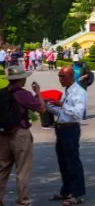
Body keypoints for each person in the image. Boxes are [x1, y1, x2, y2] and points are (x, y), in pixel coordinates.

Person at [0, 65, 45, 206]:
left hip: (2, 134)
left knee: (2, 169)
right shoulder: (22, 94)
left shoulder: (2, 93)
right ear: (20, 80)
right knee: (23, 170)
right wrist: (38, 93)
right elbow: (41, 109)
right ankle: (22, 201)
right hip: (20, 133)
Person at [47, 66, 87, 205]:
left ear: (71, 76)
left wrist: (62, 104)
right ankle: (66, 190)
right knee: (63, 162)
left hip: (71, 129)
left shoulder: (79, 92)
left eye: (62, 76)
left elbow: (78, 113)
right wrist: (50, 106)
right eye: (59, 76)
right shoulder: (68, 91)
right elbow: (63, 112)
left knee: (73, 162)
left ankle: (78, 194)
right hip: (61, 129)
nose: (60, 79)